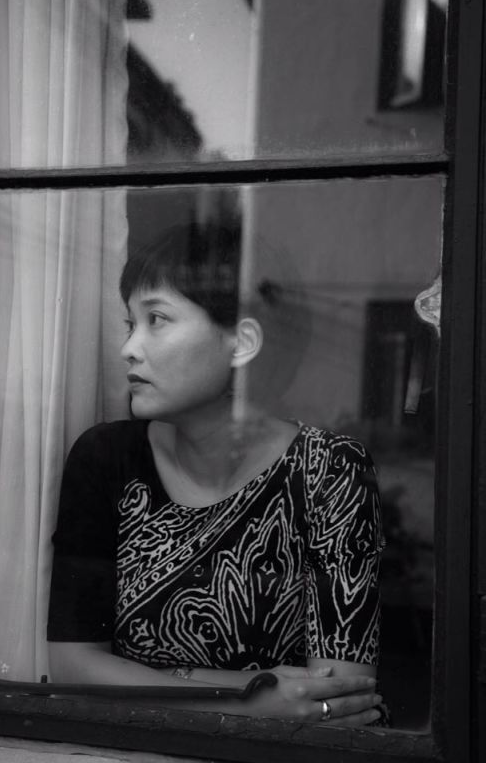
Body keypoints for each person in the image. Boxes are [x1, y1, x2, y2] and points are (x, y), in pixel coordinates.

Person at [47, 219, 385, 725]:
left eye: (156, 319)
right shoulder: (105, 459)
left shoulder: (331, 469)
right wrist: (245, 696)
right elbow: (73, 667)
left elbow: (338, 698)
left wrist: (155, 678)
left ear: (241, 342)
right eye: (130, 324)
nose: (128, 348)